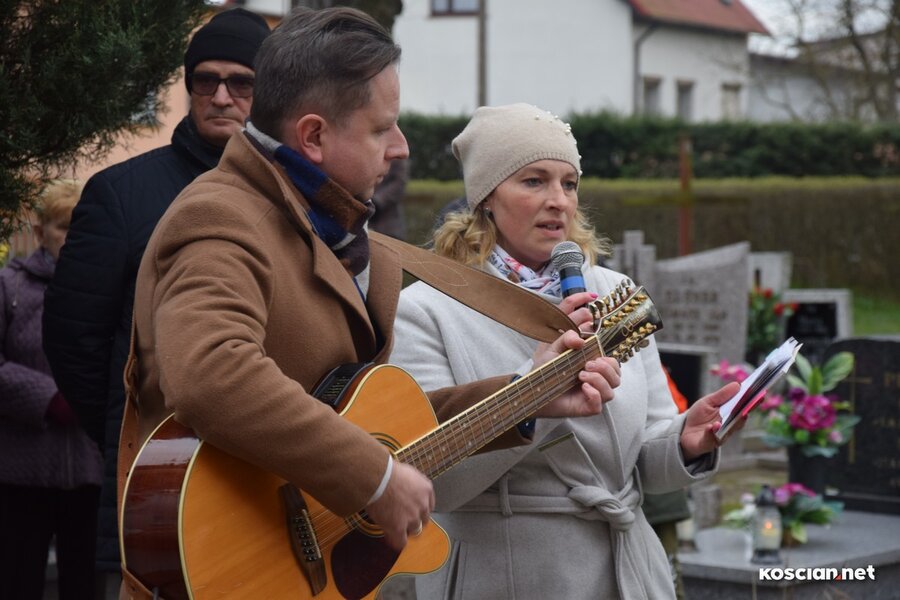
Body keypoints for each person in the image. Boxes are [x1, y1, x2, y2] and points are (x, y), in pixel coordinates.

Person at [123, 6, 618, 591]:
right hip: (226, 565)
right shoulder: (220, 217)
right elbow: (210, 372)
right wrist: (373, 477)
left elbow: (371, 420)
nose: (401, 148)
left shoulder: (350, 239)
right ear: (313, 136)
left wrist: (527, 395)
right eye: (383, 129)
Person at [389, 103, 741, 600]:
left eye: (569, 184)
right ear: (486, 197)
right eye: (534, 181)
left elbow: (640, 461)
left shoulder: (616, 292)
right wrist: (533, 393)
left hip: (626, 572)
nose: (558, 201)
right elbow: (430, 483)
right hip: (506, 577)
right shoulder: (425, 310)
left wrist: (687, 441)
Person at [41, 8, 270, 589]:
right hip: (151, 484)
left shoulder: (287, 198)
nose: (221, 96)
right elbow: (73, 337)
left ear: (266, 93)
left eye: (241, 82)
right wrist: (131, 428)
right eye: (205, 80)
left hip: (266, 483)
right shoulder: (120, 194)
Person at [0, 180, 103, 600]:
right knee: (17, 583)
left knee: (84, 586)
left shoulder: (103, 291)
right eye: (64, 227)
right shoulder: (10, 287)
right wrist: (50, 398)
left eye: (82, 228)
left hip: (90, 472)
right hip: (22, 472)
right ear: (41, 232)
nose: (72, 238)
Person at [369, 156, 410, 240]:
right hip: (366, 223)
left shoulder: (397, 154)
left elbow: (400, 183)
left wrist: (377, 200)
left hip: (389, 226)